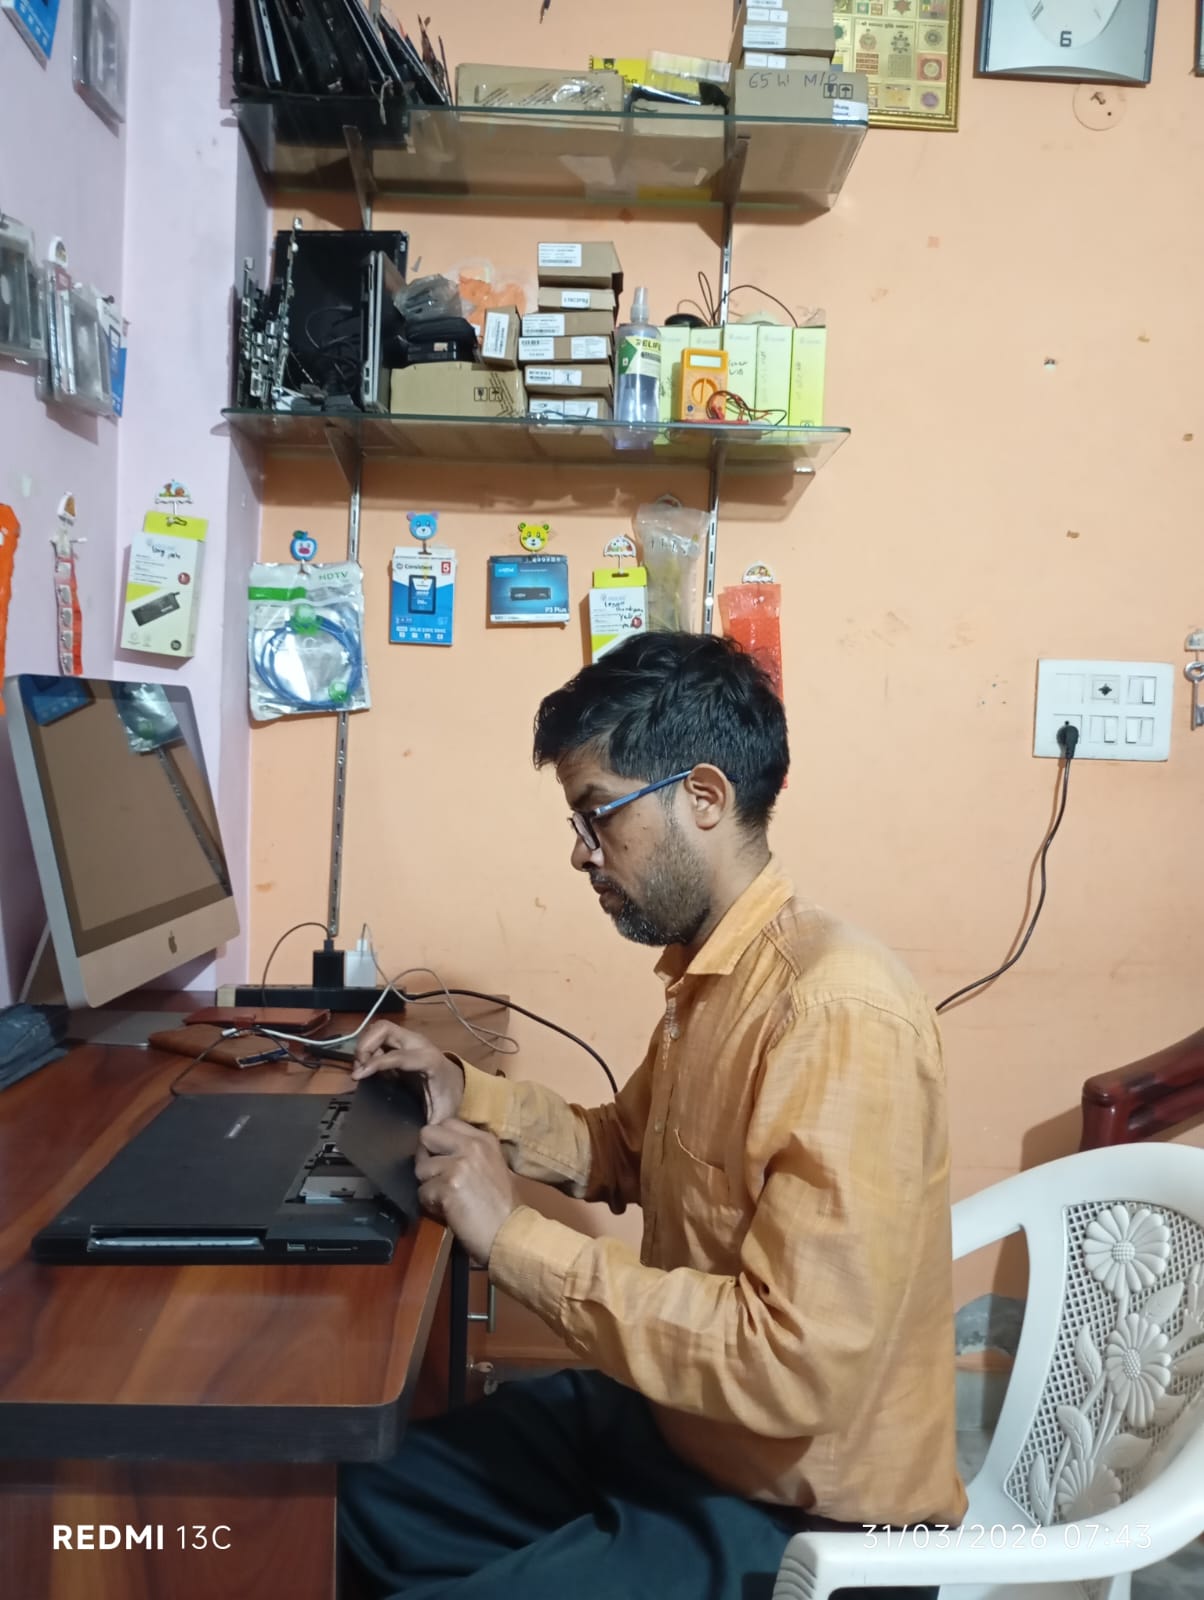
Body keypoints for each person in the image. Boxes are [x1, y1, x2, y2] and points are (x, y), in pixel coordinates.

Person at [339, 631, 966, 1600]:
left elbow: (791, 1365)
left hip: (805, 1525)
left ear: (703, 798)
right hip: (672, 1431)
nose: (582, 853)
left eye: (598, 816)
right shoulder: (712, 975)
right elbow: (623, 1150)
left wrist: (512, 1236)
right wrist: (471, 1094)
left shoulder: (835, 1012)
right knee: (343, 1498)